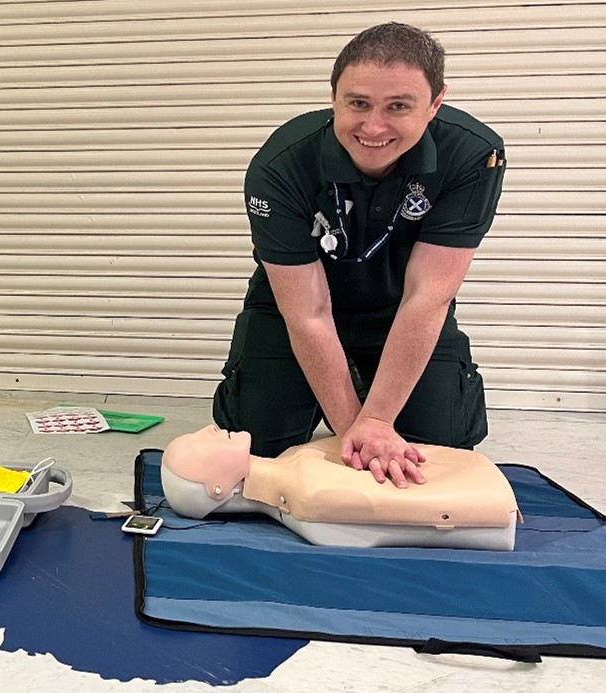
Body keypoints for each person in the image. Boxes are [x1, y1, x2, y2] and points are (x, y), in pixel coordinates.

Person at [213, 23, 507, 488]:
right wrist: (359, 431)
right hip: (293, 308)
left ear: (435, 103)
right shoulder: (280, 165)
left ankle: (375, 396)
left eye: (398, 106)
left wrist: (381, 419)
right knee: (255, 445)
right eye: (358, 103)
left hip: (401, 307)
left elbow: (427, 298)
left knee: (444, 446)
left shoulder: (474, 155)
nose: (373, 126)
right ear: (334, 97)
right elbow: (308, 313)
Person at [160, 426, 519, 550]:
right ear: (218, 489)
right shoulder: (309, 495)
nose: (209, 430)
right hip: (488, 502)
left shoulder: (297, 463)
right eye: (198, 446)